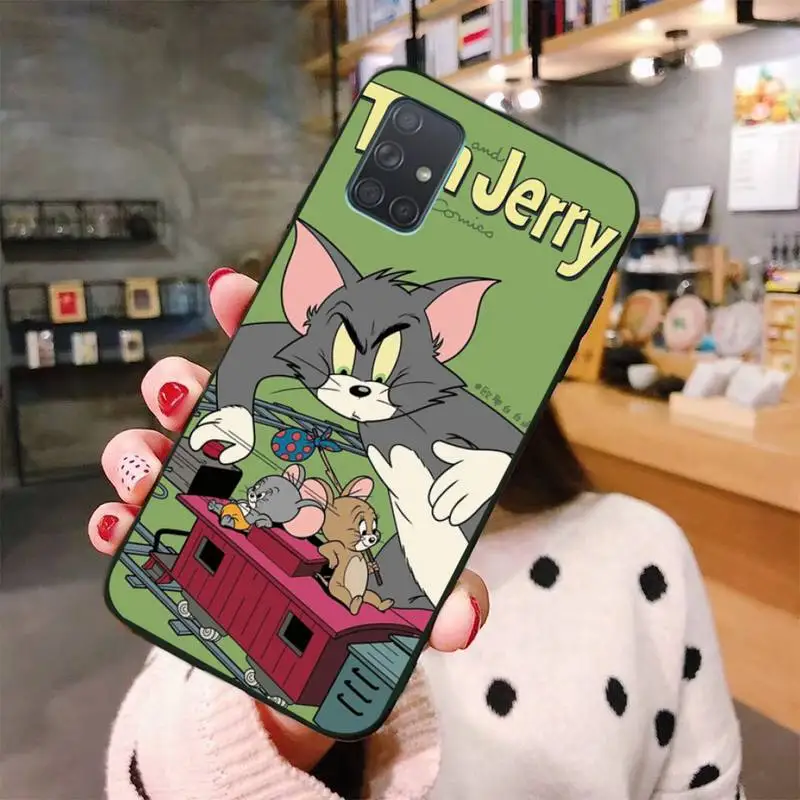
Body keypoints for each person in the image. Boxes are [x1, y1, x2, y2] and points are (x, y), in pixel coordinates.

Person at [89, 268, 745, 800]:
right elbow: (147, 776)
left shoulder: (638, 548)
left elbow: (706, 784)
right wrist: (271, 725)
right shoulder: (249, 514)